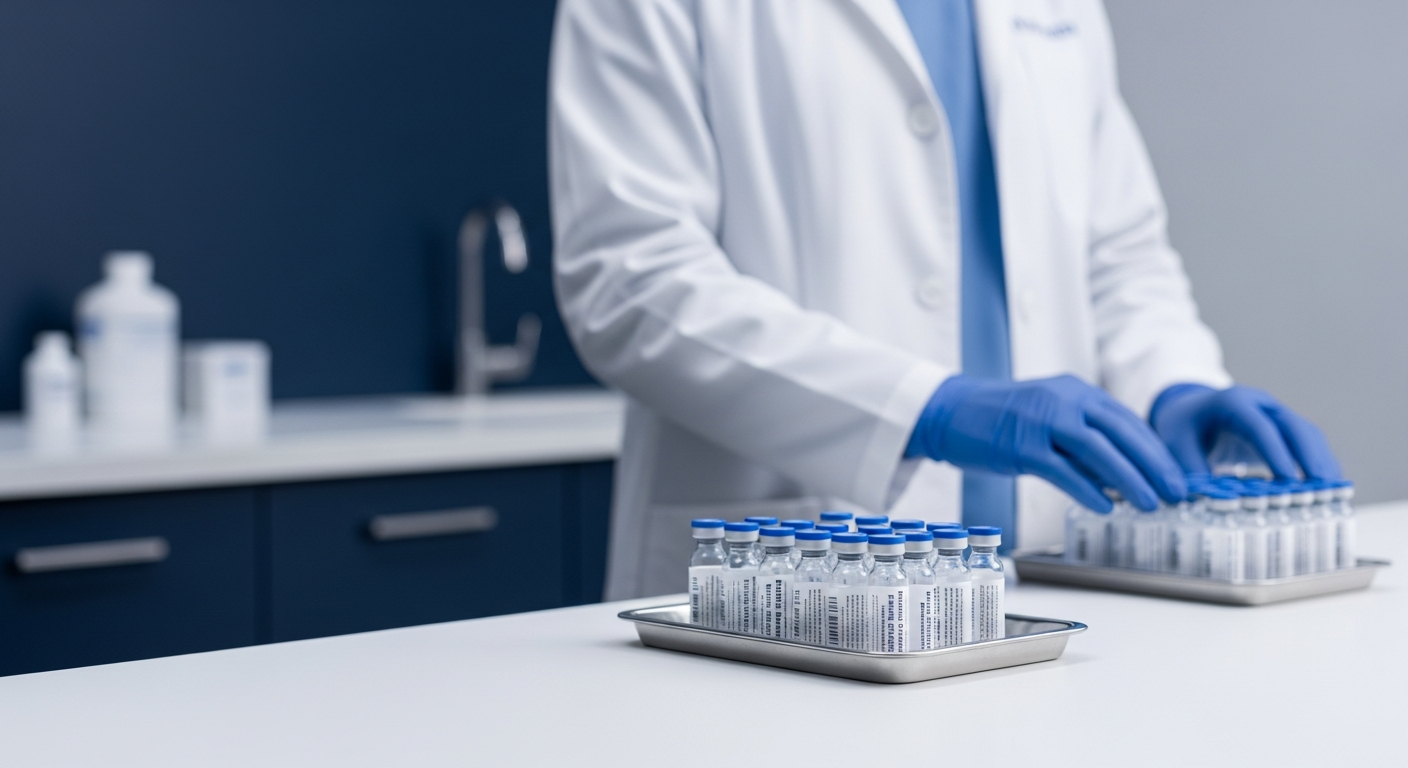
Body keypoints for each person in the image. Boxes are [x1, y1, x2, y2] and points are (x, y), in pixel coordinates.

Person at [547, 0, 1341, 600]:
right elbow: (629, 278)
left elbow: (1119, 251)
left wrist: (1172, 381)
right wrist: (921, 409)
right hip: (795, 577)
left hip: (1047, 581)